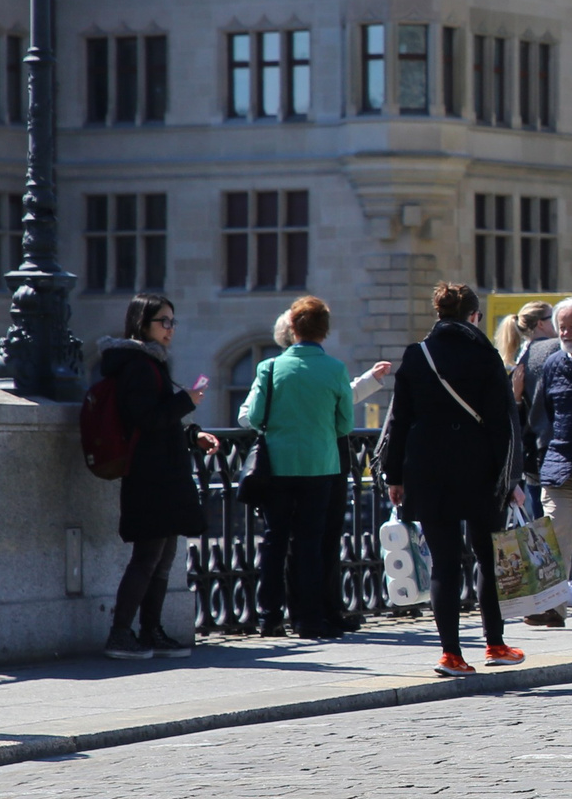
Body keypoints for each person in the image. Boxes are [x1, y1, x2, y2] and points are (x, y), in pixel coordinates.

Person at [377, 282, 526, 676]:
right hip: (480, 469)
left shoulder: (416, 355)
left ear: (438, 314)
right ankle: (494, 644)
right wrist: (510, 478)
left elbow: (399, 421)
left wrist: (394, 475)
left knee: (444, 562)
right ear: (474, 316)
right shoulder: (486, 356)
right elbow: (503, 423)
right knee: (487, 558)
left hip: (427, 469)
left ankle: (451, 654)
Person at [98, 295, 218, 660]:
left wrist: (190, 433)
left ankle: (152, 630)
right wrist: (187, 401)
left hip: (164, 472)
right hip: (150, 476)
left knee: (164, 557)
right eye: (163, 321)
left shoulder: (152, 364)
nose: (170, 329)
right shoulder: (138, 365)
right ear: (142, 324)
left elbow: (160, 423)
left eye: (172, 322)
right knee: (147, 556)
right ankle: (120, 634)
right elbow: (146, 419)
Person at [240, 296, 356, 638]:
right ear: (325, 330)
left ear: (292, 328)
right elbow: (345, 425)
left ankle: (269, 617)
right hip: (320, 465)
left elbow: (257, 417)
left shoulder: (270, 368)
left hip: (277, 465)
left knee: (274, 541)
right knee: (310, 542)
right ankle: (309, 619)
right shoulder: (335, 369)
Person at [523, 296, 572, 626]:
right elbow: (542, 414)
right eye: (562, 327)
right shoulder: (554, 363)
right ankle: (551, 607)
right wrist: (543, 454)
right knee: (551, 538)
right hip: (559, 465)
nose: (566, 332)